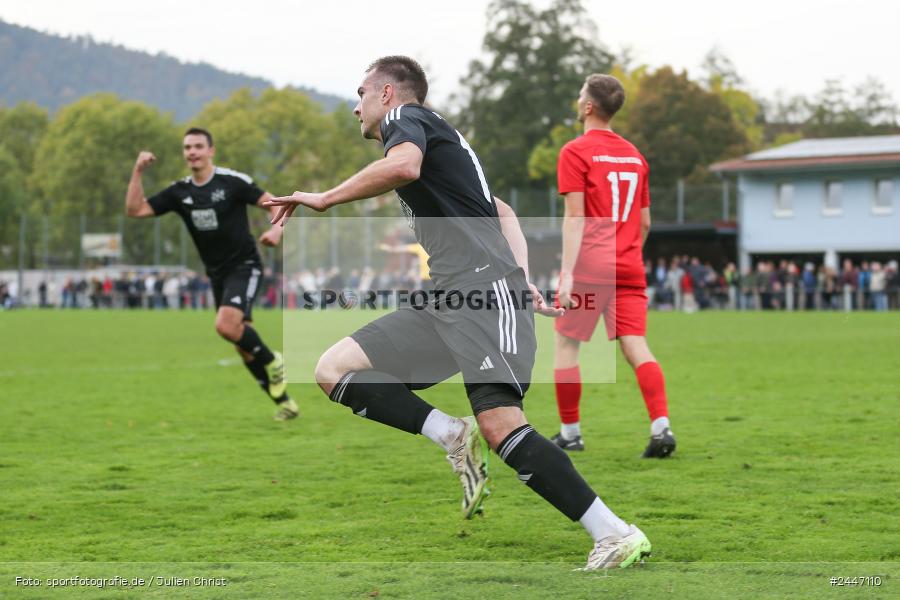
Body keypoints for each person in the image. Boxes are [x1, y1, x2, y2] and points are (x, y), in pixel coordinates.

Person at [264, 56, 651, 570]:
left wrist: (325, 198)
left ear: (387, 94)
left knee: (502, 425)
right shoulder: (437, 137)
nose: (356, 107)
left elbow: (404, 166)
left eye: (361, 94)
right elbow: (502, 210)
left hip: (483, 293)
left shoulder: (405, 119)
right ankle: (451, 433)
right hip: (450, 297)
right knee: (333, 369)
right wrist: (524, 277)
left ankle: (615, 533)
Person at [125, 127, 298, 421]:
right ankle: (285, 402)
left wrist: (275, 231)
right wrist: (138, 171)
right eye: (187, 147)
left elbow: (276, 205)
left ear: (210, 151)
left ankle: (274, 361)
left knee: (225, 326)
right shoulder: (179, 192)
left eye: (197, 146)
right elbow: (135, 210)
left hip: (245, 265)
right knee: (243, 347)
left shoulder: (232, 182)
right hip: (216, 275)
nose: (192, 152)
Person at [552, 73, 675, 458]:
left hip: (590, 266)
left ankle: (570, 434)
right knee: (636, 345)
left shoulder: (575, 151)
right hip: (629, 265)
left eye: (580, 95)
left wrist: (568, 274)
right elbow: (645, 222)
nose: (577, 100)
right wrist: (627, 255)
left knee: (566, 345)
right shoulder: (635, 156)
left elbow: (575, 217)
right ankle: (661, 427)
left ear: (589, 106)